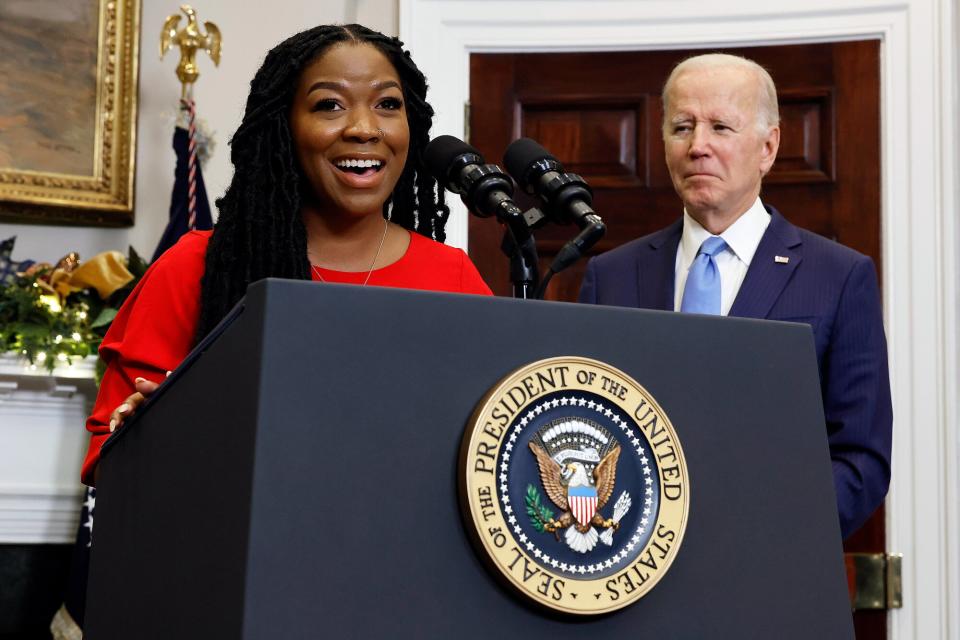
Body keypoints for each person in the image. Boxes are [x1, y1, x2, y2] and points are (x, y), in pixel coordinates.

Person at [81, 24, 492, 485]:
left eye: (387, 105)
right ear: (284, 127)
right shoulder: (197, 266)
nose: (363, 128)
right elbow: (111, 457)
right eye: (329, 105)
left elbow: (484, 455)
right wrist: (156, 430)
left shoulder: (451, 276)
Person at [577, 53, 892, 539]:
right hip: (631, 575)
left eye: (721, 127)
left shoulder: (840, 276)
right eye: (682, 127)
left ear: (768, 146)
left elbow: (861, 460)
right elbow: (589, 430)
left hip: (771, 574)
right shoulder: (612, 276)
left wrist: (763, 535)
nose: (698, 146)